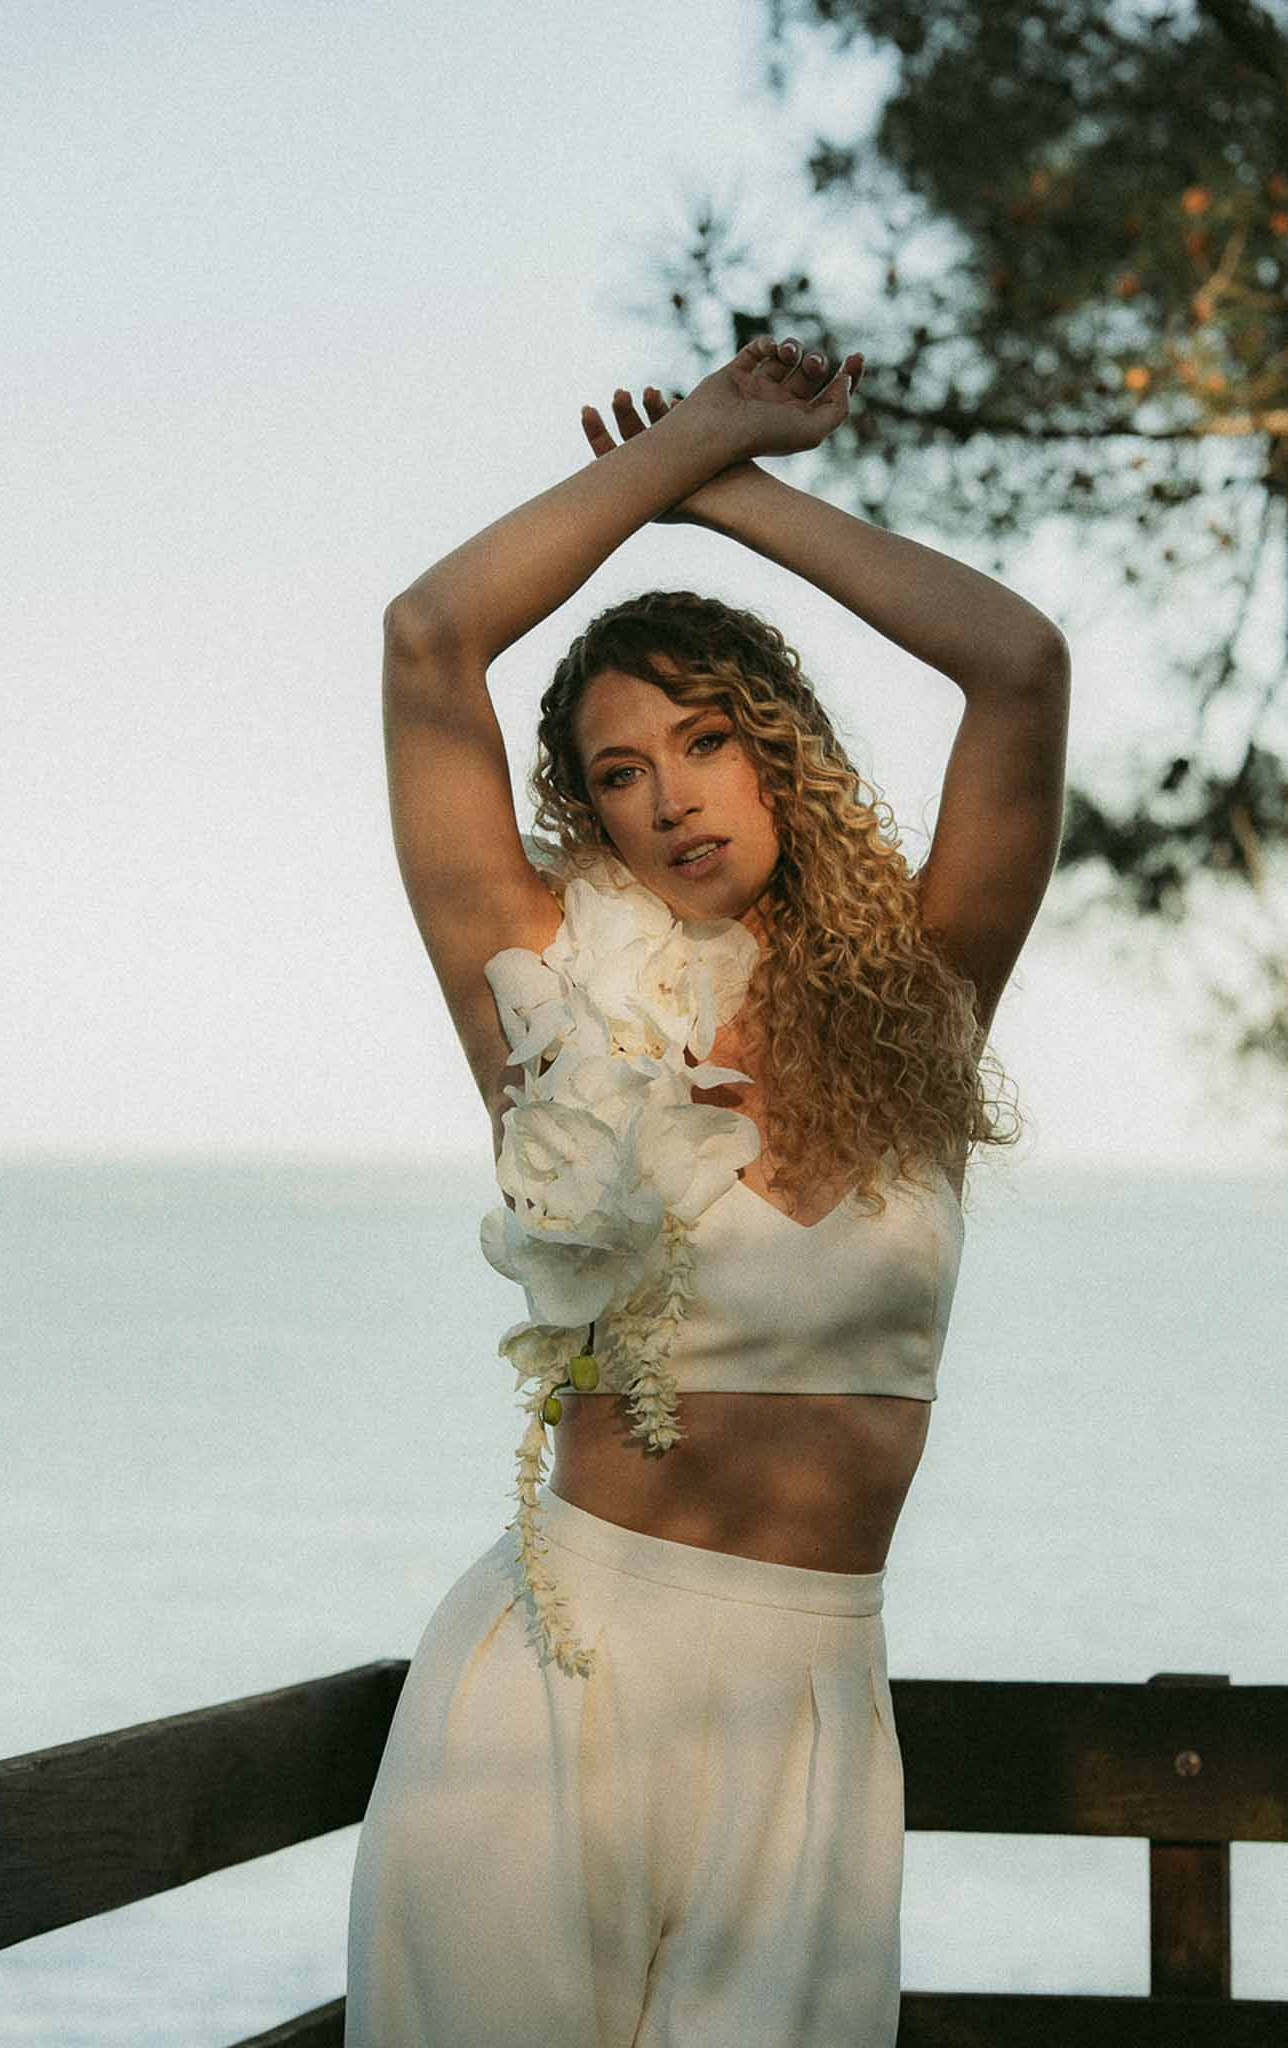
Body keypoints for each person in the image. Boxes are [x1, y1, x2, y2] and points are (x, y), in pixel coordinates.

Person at [346, 332, 1070, 2046]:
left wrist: (728, 487)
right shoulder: (546, 1000)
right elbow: (427, 638)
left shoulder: (923, 998)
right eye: (619, 771)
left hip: (809, 1708)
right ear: (586, 811)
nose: (671, 798)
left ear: (778, 752)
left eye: (706, 740)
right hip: (551, 1696)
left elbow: (1021, 667)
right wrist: (664, 453)